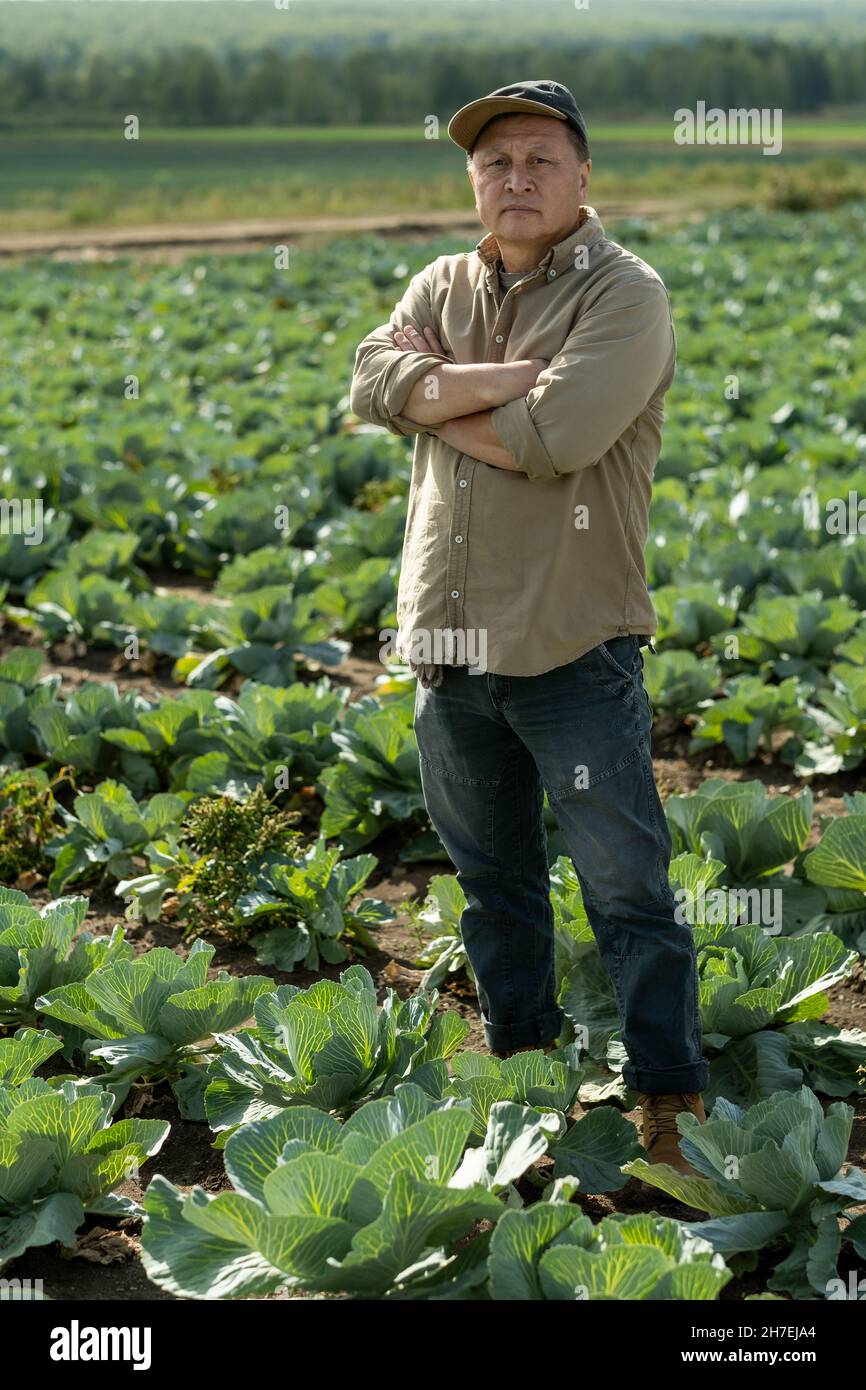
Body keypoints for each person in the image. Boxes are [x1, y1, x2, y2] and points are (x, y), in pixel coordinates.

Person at [350, 80, 707, 1174]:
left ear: (583, 174)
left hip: (567, 646)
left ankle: (664, 1098)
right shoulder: (441, 280)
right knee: (493, 887)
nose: (515, 177)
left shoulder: (625, 295)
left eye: (539, 158)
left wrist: (437, 397)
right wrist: (490, 389)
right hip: (445, 646)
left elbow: (555, 438)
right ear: (471, 178)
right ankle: (520, 1085)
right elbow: (370, 380)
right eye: (494, 160)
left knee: (625, 889)